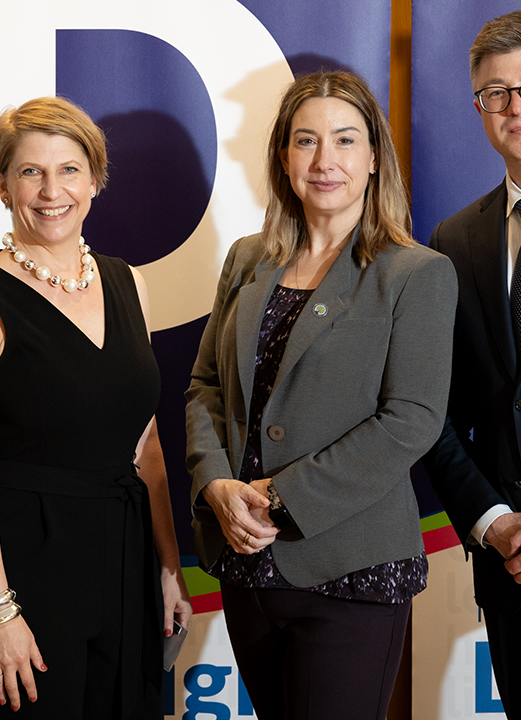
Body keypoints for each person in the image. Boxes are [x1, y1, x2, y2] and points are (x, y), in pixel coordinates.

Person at [185, 71, 457, 720]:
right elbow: (206, 387)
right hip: (245, 564)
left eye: (344, 140)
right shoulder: (248, 259)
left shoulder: (415, 272)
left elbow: (411, 420)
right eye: (305, 140)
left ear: (372, 158)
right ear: (283, 156)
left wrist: (278, 500)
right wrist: (217, 486)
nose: (324, 159)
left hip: (352, 570)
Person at [0, 96, 191, 719]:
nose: (52, 191)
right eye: (29, 172)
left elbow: (144, 441)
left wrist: (167, 568)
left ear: (95, 181)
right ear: (1, 185)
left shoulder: (129, 283)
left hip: (123, 563)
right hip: (18, 568)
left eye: (69, 170)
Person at [423, 11, 521, 718]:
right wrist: (493, 521)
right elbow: (432, 409)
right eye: (497, 93)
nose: (515, 108)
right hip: (509, 562)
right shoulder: (453, 239)